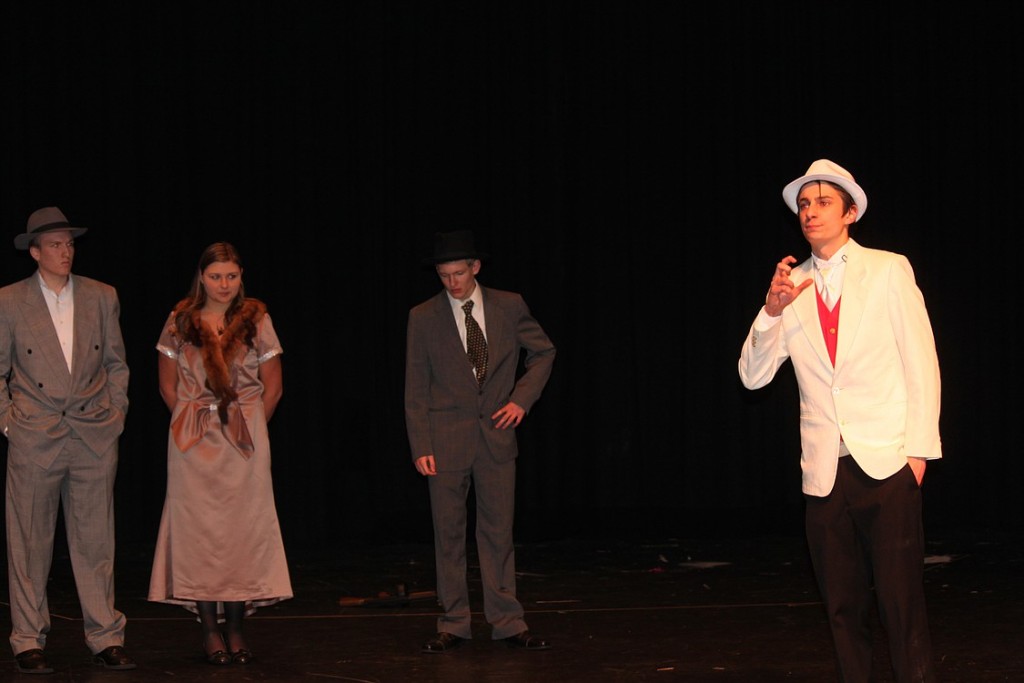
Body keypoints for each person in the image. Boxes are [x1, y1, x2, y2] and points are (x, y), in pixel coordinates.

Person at [738, 160, 942, 682]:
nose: (810, 212)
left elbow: (921, 362)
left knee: (901, 605)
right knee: (842, 608)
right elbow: (752, 378)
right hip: (825, 471)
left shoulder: (888, 269)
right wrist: (771, 312)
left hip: (886, 460)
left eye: (823, 202)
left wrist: (917, 453)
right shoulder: (791, 285)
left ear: (850, 212)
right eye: (804, 204)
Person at [405, 229, 556, 654]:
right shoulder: (424, 316)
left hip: (495, 437)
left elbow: (543, 352)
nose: (452, 283)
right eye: (443, 275)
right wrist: (420, 444)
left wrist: (521, 401)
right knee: (449, 534)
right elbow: (415, 387)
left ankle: (507, 621)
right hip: (445, 440)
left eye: (458, 273)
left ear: (475, 267)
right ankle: (454, 622)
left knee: (497, 532)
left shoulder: (508, 305)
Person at [0, 207, 135, 674]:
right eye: (55, 245)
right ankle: (26, 639)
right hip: (36, 436)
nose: (65, 251)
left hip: (92, 434)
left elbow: (117, 364)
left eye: (70, 243)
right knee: (29, 543)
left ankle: (105, 636)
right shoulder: (9, 300)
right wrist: (8, 421)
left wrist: (115, 413)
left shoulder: (102, 296)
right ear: (34, 252)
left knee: (96, 542)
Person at [147, 242, 292, 666]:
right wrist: (195, 421)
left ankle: (235, 626)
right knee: (199, 533)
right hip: (193, 439)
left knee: (241, 532)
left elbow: (274, 385)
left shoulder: (256, 319)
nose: (224, 284)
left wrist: (247, 428)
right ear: (201, 277)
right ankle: (209, 628)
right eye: (216, 276)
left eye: (231, 276)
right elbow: (167, 386)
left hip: (243, 438)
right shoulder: (180, 320)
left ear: (241, 276)